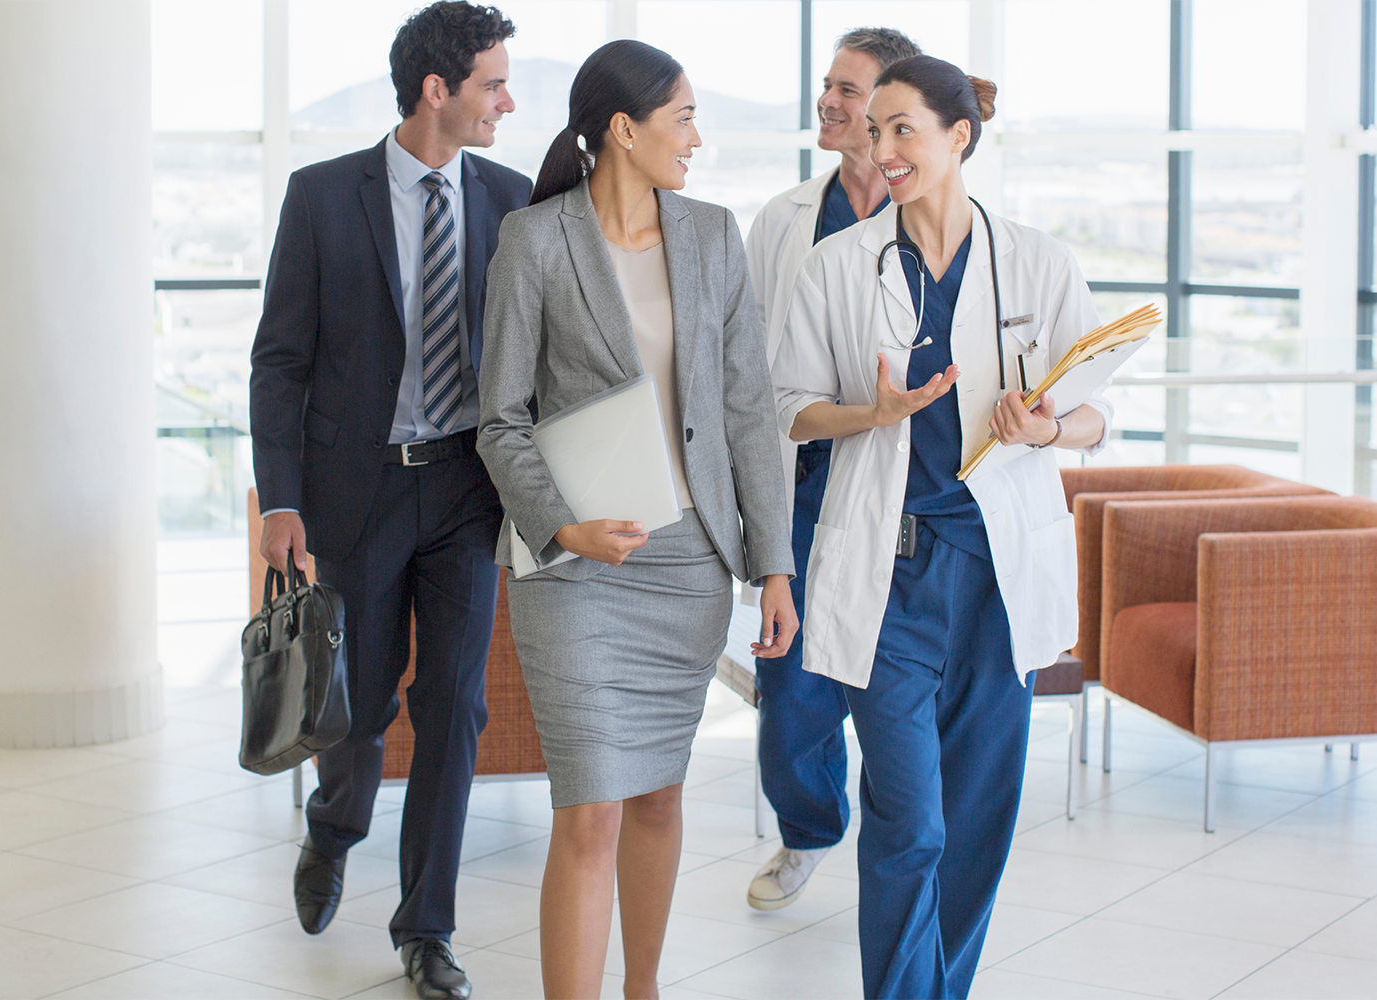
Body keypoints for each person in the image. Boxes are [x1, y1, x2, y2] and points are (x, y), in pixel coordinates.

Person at [771, 55, 1113, 1000]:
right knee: (910, 820)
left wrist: (1047, 426)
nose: (881, 150)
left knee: (977, 817)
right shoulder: (840, 265)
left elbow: (1091, 414)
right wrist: (869, 417)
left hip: (999, 580)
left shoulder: (1037, 261)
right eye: (873, 131)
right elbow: (789, 407)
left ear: (959, 137)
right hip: (891, 576)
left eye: (901, 130)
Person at [476, 39, 797, 1000]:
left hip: (690, 564)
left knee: (658, 795)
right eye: (683, 117)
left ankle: (642, 989)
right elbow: (499, 419)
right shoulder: (534, 241)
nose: (696, 137)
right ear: (625, 127)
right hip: (578, 573)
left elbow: (748, 410)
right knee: (590, 811)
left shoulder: (711, 234)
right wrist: (563, 526)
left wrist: (772, 565)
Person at [248, 4, 530, 998]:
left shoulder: (512, 197)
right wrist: (280, 498)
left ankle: (426, 929)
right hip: (357, 491)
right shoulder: (325, 197)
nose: (507, 100)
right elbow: (280, 362)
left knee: (452, 707)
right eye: (493, 83)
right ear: (436, 90)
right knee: (359, 709)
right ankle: (333, 830)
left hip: (465, 488)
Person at [740, 25, 920, 913]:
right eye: (830, 85)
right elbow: (745, 357)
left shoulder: (923, 215)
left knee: (887, 678)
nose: (831, 102)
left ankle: (907, 843)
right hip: (803, 481)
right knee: (791, 685)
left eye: (849, 90)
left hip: (894, 487)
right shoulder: (784, 218)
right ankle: (809, 828)